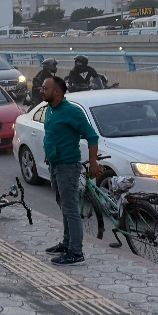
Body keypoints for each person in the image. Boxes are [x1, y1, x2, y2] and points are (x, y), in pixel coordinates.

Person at [41, 76, 101, 267]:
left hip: (68, 166)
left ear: (56, 92)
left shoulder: (71, 112)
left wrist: (93, 163)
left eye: (45, 88)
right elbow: (54, 135)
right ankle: (67, 243)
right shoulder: (50, 109)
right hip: (55, 164)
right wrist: (49, 153)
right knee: (63, 205)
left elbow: (92, 136)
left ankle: (76, 252)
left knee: (71, 209)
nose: (41, 90)